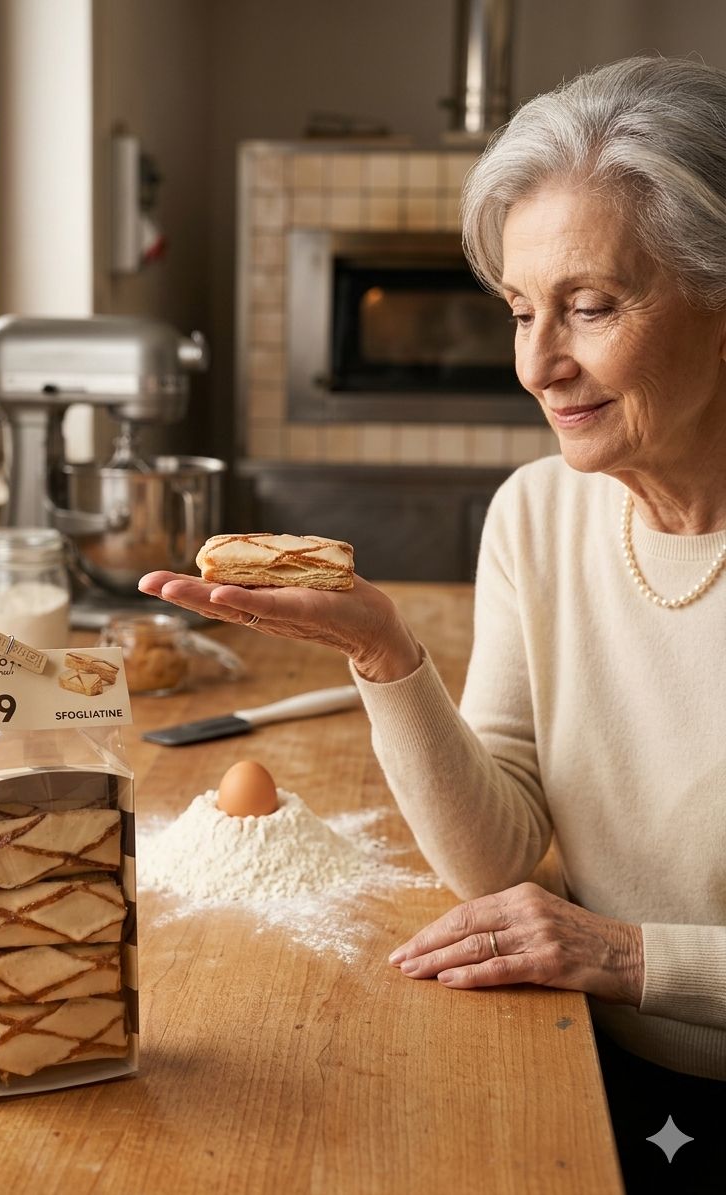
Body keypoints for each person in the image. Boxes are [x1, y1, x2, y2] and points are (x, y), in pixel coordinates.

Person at [140, 55, 726, 1190]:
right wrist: (384, 653)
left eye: (590, 307)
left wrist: (627, 954)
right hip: (593, 1057)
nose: (537, 364)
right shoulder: (536, 514)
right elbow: (496, 856)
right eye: (520, 311)